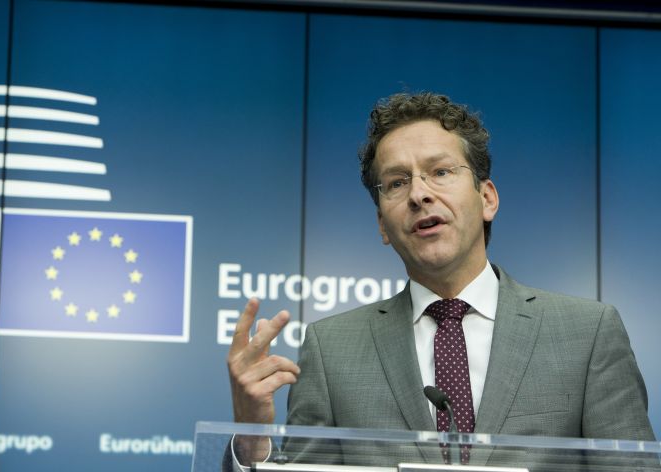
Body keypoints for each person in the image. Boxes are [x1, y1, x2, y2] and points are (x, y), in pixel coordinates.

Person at [225, 92, 656, 469]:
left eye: (441, 172)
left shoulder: (587, 334)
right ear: (382, 225)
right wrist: (252, 437)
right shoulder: (331, 350)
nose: (419, 194)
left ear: (487, 198)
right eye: (397, 182)